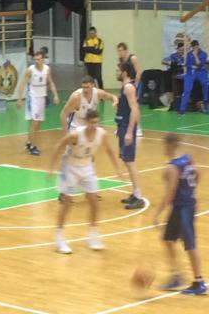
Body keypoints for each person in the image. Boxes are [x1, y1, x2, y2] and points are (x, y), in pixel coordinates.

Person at [47, 109, 122, 254]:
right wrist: (52, 168)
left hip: (87, 166)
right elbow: (59, 146)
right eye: (91, 122)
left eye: (96, 122)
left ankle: (93, 236)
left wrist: (117, 168)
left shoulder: (101, 134)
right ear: (86, 122)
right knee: (67, 203)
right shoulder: (75, 135)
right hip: (70, 167)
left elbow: (110, 150)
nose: (94, 125)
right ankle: (59, 238)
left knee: (94, 201)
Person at [153, 133, 207, 295]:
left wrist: (157, 213)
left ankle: (199, 282)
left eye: (164, 145)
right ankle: (176, 276)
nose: (164, 148)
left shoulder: (172, 167)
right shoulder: (187, 158)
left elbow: (170, 193)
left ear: (169, 145)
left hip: (183, 208)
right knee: (167, 239)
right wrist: (191, 191)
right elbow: (198, 174)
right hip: (183, 206)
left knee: (190, 244)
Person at [17, 50, 60, 155]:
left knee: (39, 122)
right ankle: (32, 147)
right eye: (35, 59)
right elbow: (22, 84)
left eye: (39, 59)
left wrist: (55, 95)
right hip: (33, 98)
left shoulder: (47, 69)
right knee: (35, 122)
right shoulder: (30, 70)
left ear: (43, 59)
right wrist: (19, 99)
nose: (37, 61)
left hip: (42, 97)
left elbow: (51, 82)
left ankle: (28, 142)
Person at [115, 62, 145, 209]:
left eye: (118, 70)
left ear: (125, 72)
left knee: (130, 161)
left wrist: (129, 131)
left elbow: (134, 109)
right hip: (122, 126)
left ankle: (138, 196)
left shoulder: (129, 87)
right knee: (127, 161)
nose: (116, 73)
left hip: (127, 128)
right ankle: (135, 193)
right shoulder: (124, 87)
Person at [117, 42, 143, 136]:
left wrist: (135, 85)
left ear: (125, 50)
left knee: (135, 105)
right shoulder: (121, 61)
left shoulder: (132, 58)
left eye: (121, 50)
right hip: (127, 84)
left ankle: (138, 128)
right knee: (123, 105)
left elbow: (139, 72)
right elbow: (122, 76)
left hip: (135, 84)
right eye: (118, 51)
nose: (119, 52)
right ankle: (122, 126)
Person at [179, 40, 208, 115]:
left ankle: (205, 104)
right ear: (192, 47)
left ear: (198, 46)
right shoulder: (189, 54)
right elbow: (187, 65)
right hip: (190, 73)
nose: (195, 48)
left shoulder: (204, 54)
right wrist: (192, 66)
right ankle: (182, 110)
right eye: (194, 47)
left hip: (201, 72)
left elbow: (199, 64)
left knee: (205, 84)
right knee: (187, 90)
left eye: (196, 46)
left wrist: (195, 55)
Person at [162, 42, 184, 110]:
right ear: (177, 49)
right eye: (180, 50)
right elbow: (163, 61)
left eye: (183, 50)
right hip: (173, 73)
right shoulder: (173, 56)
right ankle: (171, 103)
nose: (181, 51)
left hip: (182, 74)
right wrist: (171, 64)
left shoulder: (185, 57)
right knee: (171, 86)